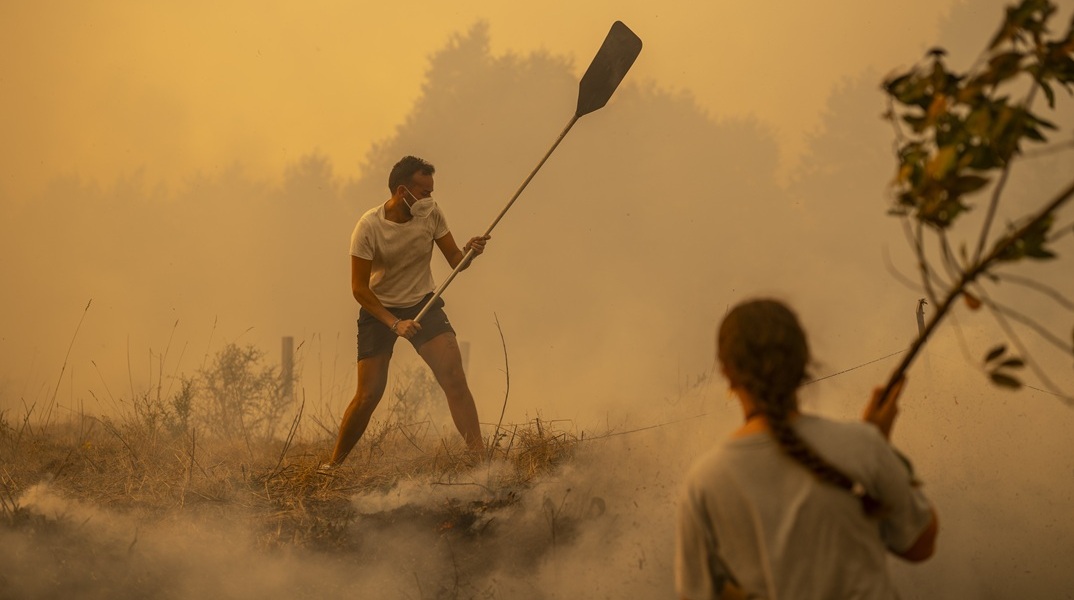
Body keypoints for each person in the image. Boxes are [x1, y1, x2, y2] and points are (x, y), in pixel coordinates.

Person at [676, 299, 938, 600]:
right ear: (804, 362)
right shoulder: (863, 447)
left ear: (727, 372)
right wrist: (881, 445)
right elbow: (920, 545)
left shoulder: (705, 482)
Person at [324, 155, 489, 468]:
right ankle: (333, 467)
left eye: (431, 192)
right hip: (379, 308)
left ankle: (481, 461)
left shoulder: (431, 214)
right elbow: (359, 289)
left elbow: (456, 261)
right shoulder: (368, 227)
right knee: (369, 395)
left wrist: (470, 252)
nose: (430, 199)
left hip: (422, 301)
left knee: (454, 377)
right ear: (402, 191)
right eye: (424, 193)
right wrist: (394, 323)